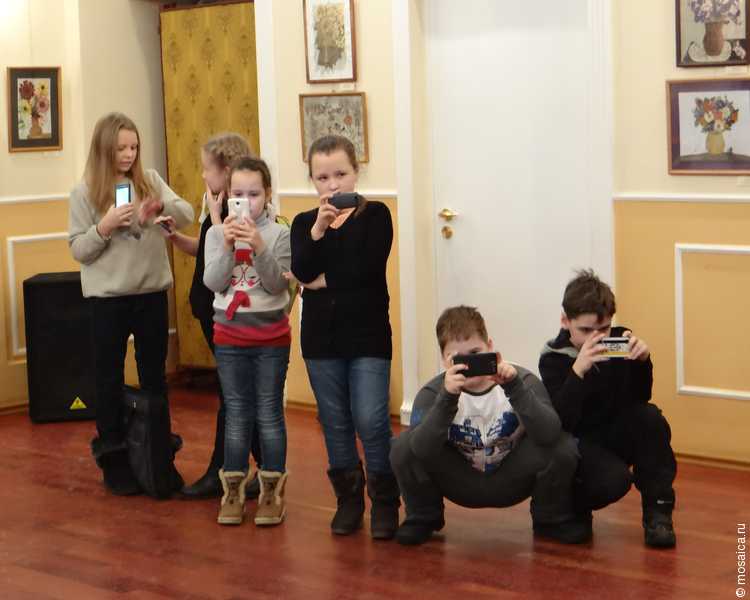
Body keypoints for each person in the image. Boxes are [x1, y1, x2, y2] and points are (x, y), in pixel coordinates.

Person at [389, 305, 591, 546]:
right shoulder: (433, 392)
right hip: (459, 478)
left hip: (512, 476)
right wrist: (447, 398)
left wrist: (514, 388)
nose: (469, 364)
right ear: (444, 360)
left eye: (475, 353)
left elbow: (550, 434)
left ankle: (550, 519)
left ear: (490, 347)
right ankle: (422, 518)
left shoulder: (522, 379)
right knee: (403, 446)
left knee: (563, 446)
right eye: (458, 358)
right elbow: (420, 450)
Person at [68, 112, 194, 494]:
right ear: (104, 149)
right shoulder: (84, 192)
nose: (128, 154)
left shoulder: (150, 180)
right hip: (108, 300)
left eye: (134, 147)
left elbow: (187, 215)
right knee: (107, 377)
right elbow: (79, 249)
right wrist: (104, 227)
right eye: (121, 148)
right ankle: (115, 460)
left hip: (150, 294)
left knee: (154, 377)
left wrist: (159, 207)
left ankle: (158, 458)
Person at [289, 135, 400, 540]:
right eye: (322, 177)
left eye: (341, 174)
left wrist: (324, 282)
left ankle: (385, 501)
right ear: (312, 180)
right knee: (335, 422)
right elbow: (302, 271)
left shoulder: (377, 216)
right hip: (321, 340)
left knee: (371, 419)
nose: (333, 185)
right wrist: (319, 231)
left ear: (357, 172)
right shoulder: (304, 223)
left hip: (368, 335)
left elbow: (367, 270)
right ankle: (348, 501)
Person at [538, 269, 677, 548]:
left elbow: (640, 398)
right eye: (585, 330)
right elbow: (561, 422)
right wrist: (578, 371)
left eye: (603, 329)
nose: (596, 338)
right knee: (614, 480)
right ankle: (564, 508)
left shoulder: (619, 341)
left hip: (612, 432)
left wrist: (642, 362)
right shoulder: (553, 358)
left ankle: (658, 514)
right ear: (565, 321)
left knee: (650, 418)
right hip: (578, 442)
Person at [157, 132, 261, 501]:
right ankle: (261, 468)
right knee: (236, 393)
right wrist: (176, 238)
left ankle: (229, 470)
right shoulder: (217, 206)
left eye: (207, 169)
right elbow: (208, 250)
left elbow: (231, 255)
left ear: (227, 170)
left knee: (234, 395)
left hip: (227, 314)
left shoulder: (238, 213)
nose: (203, 175)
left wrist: (217, 217)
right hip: (210, 311)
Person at [203, 156, 291, 526]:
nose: (246, 202)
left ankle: (271, 492)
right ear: (227, 196)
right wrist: (227, 246)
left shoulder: (279, 234)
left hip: (271, 338)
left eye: (254, 194)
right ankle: (233, 491)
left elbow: (276, 285)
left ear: (267, 194)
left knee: (269, 413)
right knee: (237, 414)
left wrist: (258, 246)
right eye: (238, 194)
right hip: (229, 337)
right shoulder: (214, 234)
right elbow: (213, 282)